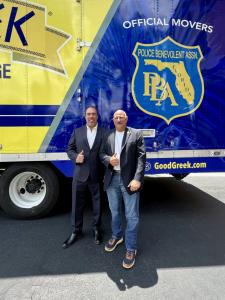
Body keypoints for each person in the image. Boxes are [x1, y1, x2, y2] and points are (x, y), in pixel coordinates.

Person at [100, 109, 146, 269]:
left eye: (121, 117)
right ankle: (117, 235)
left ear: (126, 119)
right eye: (116, 117)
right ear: (113, 120)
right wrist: (108, 160)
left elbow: (142, 158)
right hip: (112, 178)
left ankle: (131, 248)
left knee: (132, 216)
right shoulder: (107, 135)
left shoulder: (136, 134)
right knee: (114, 211)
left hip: (129, 181)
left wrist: (137, 179)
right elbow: (101, 154)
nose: (119, 119)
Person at [62, 106, 106, 249]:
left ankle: (96, 229)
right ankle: (76, 231)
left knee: (97, 204)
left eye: (93, 114)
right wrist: (76, 157)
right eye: (88, 114)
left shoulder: (104, 132)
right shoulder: (77, 131)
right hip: (80, 175)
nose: (91, 116)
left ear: (97, 116)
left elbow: (107, 152)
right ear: (85, 116)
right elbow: (69, 149)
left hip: (96, 174)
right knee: (76, 204)